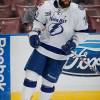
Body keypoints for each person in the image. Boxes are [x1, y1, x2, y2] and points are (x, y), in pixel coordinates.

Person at [22, 0, 88, 100]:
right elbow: (38, 23)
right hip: (42, 49)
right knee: (30, 77)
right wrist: (34, 34)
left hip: (60, 55)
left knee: (48, 84)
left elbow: (82, 32)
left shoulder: (78, 11)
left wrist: (74, 42)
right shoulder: (46, 6)